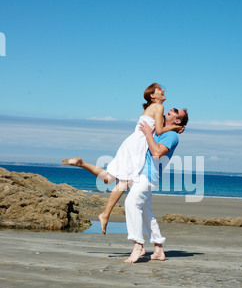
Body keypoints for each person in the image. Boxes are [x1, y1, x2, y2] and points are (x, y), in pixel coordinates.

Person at [62, 83, 183, 234]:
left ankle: (82, 163)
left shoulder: (149, 108)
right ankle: (105, 214)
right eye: (159, 89)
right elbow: (159, 130)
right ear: (153, 95)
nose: (163, 90)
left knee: (108, 178)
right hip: (137, 146)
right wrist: (175, 128)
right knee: (125, 182)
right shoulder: (158, 107)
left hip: (130, 143)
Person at [123, 107, 188, 264]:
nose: (170, 109)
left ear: (178, 120)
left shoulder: (172, 136)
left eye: (174, 110)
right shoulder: (163, 130)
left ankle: (138, 244)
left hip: (148, 176)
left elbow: (157, 152)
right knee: (146, 212)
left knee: (131, 204)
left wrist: (147, 134)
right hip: (141, 174)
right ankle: (158, 249)